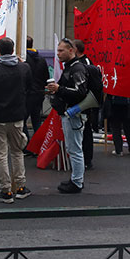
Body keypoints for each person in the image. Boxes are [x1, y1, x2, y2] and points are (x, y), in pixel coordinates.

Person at [0, 37, 33, 203]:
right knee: (17, 152)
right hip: (17, 116)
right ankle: (21, 187)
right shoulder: (24, 68)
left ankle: (6, 190)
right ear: (13, 49)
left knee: (0, 154)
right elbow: (29, 89)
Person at [47, 38, 89, 194]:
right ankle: (76, 178)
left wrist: (59, 89)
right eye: (58, 51)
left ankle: (77, 182)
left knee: (75, 149)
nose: (58, 54)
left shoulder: (76, 69)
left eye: (61, 51)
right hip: (70, 113)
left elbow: (80, 92)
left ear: (71, 50)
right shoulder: (71, 67)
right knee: (73, 148)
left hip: (73, 114)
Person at [73, 39, 96, 170]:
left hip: (85, 102)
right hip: (80, 101)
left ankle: (87, 159)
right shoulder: (78, 63)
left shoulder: (85, 63)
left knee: (86, 130)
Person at [24, 37, 50, 141]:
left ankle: (26, 145)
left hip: (27, 93)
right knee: (37, 120)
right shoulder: (41, 59)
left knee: (22, 121)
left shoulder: (23, 59)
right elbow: (46, 77)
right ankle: (38, 145)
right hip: (39, 93)